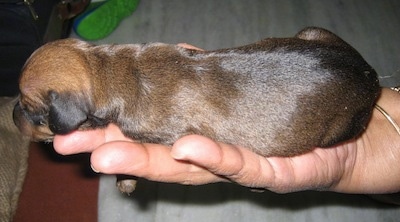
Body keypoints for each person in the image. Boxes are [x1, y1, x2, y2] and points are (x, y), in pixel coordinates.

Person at [52, 42, 400, 195]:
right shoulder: (157, 54)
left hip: (344, 112)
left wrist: (125, 174)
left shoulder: (143, 121)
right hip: (334, 60)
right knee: (312, 43)